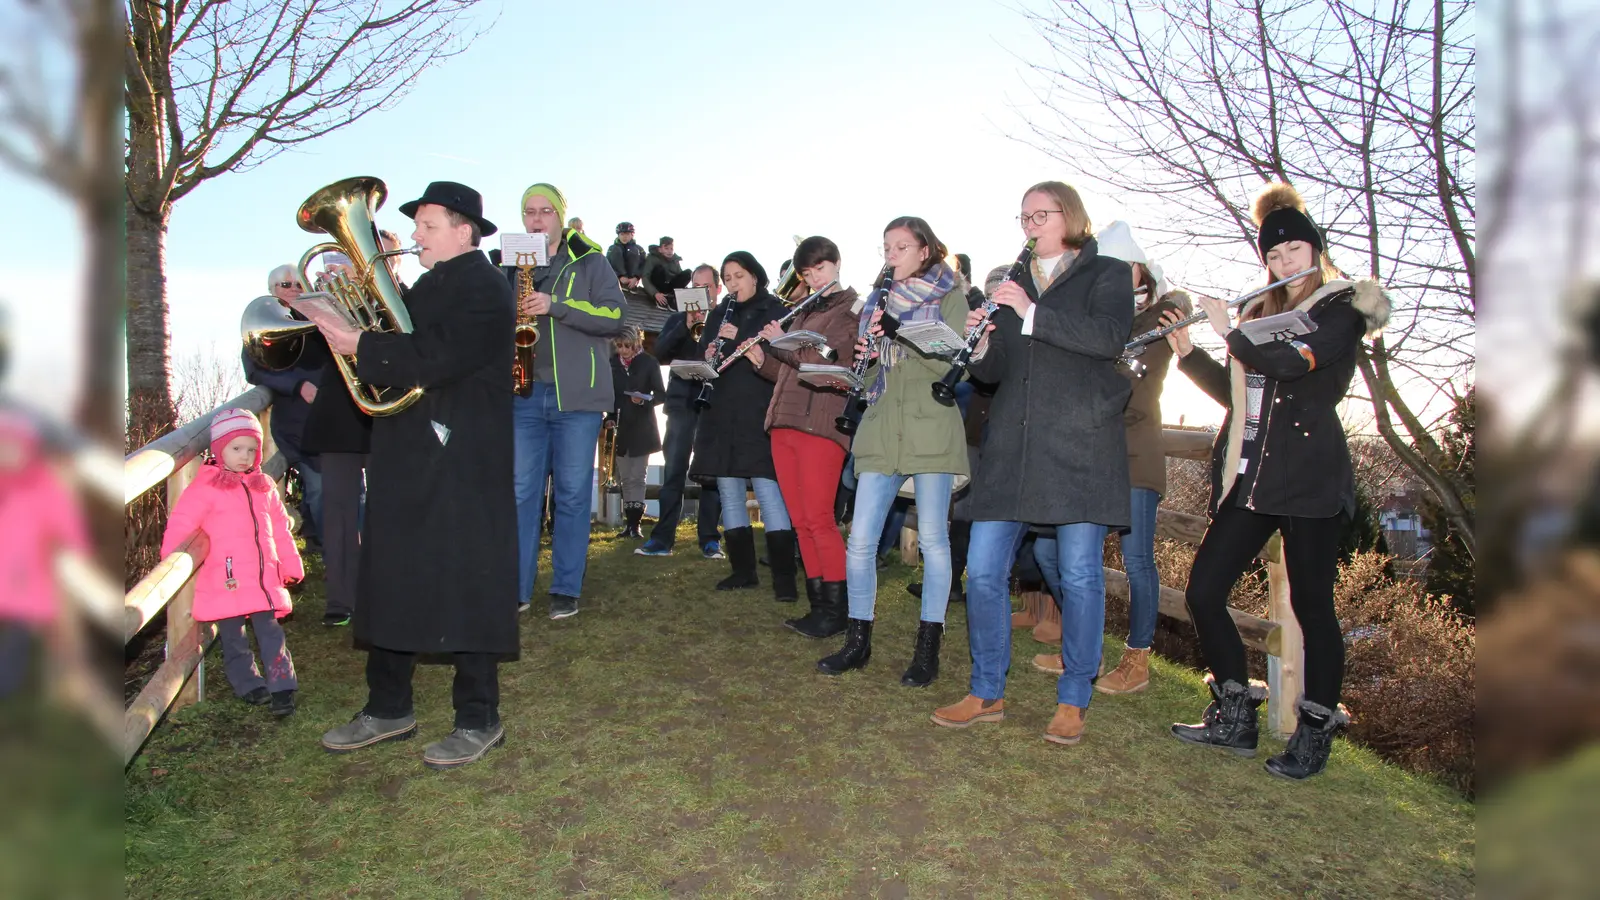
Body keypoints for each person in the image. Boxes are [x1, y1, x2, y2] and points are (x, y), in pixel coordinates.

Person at [1163, 182, 1388, 780]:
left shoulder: (1343, 308)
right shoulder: (1260, 311)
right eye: (1273, 255)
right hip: (1252, 472)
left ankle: (1315, 735)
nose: (1283, 262)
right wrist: (1189, 353)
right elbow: (1241, 397)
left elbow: (1291, 365)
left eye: (1293, 251)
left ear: (1315, 250)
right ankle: (1234, 712)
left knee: (1314, 608)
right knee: (1204, 589)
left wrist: (1232, 334)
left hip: (1309, 475)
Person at [315, 180, 518, 770]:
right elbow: (411, 343)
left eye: (427, 227)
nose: (415, 237)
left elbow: (436, 359)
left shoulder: (484, 287)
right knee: (393, 570)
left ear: (465, 231)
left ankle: (479, 718)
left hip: (461, 456)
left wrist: (362, 342)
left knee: (467, 574)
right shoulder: (431, 283)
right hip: (409, 446)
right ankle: (387, 706)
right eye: (418, 226)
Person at [931, 181, 1133, 745]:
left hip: (1078, 447)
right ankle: (987, 690)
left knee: (1080, 574)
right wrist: (978, 348)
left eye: (1039, 214)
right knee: (985, 571)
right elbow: (996, 374)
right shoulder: (1014, 282)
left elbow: (1109, 338)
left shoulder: (1107, 274)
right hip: (1013, 450)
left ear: (1070, 215)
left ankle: (1073, 698)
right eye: (1023, 217)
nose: (1029, 225)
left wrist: (1033, 312)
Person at [1029, 220, 1191, 694]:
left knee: (1137, 559)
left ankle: (1137, 658)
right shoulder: (1099, 312)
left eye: (1123, 269)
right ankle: (1087, 647)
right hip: (1090, 448)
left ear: (1140, 270)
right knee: (1048, 549)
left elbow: (1135, 382)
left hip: (1134, 448)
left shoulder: (1159, 318)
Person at [817, 217, 970, 688]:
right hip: (883, 429)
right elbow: (868, 378)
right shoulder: (875, 303)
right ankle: (858, 640)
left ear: (925, 250)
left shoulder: (951, 295)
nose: (892, 254)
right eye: (887, 247)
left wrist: (898, 330)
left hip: (929, 426)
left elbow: (951, 359)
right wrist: (854, 365)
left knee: (933, 542)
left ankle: (928, 648)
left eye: (902, 246)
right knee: (860, 540)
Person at [504, 183, 626, 619]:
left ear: (559, 216)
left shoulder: (591, 262)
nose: (537, 220)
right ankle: (516, 589)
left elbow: (615, 317)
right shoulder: (510, 266)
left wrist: (556, 305)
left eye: (545, 212)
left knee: (573, 495)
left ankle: (565, 587)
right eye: (529, 213)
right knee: (520, 494)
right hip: (523, 395)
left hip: (579, 398)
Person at [750, 237, 860, 639]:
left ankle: (837, 611)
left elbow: (830, 367)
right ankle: (819, 607)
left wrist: (782, 346)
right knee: (800, 521)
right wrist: (763, 358)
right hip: (785, 421)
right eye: (808, 273)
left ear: (836, 264)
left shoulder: (852, 310)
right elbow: (787, 374)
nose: (814, 278)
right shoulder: (804, 313)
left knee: (819, 519)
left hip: (820, 424)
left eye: (820, 269)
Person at [161, 408, 302, 717]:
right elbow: (181, 523)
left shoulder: (263, 487)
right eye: (236, 448)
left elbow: (279, 528)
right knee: (232, 634)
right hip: (226, 576)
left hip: (264, 578)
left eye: (251, 449)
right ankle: (248, 683)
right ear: (218, 449)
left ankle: (282, 686)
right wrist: (168, 564)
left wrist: (290, 565)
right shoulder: (205, 488)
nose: (245, 456)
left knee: (270, 631)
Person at [689, 252, 796, 601]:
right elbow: (708, 357)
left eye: (739, 276)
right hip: (721, 411)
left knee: (769, 492)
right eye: (728, 278)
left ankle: (784, 579)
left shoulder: (775, 310)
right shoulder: (720, 313)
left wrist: (740, 340)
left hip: (758, 409)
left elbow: (785, 359)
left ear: (754, 276)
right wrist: (710, 350)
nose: (733, 284)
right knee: (730, 492)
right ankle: (743, 572)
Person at [637, 264, 724, 559]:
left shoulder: (725, 319)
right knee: (673, 472)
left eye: (706, 286)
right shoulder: (677, 318)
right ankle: (662, 539)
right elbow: (659, 353)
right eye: (695, 286)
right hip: (681, 405)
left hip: (713, 406)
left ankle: (710, 539)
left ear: (717, 290)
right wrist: (687, 324)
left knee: (711, 475)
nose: (700, 292)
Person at [241, 264, 329, 550]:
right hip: (297, 423)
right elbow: (255, 371)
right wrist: (297, 385)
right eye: (285, 285)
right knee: (317, 487)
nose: (292, 290)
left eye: (298, 284)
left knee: (347, 486)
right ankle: (334, 554)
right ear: (271, 291)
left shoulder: (320, 317)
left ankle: (324, 544)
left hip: (334, 416)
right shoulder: (263, 322)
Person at [609, 326, 665, 539]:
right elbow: (609, 396)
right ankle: (628, 524)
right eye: (619, 346)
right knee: (625, 477)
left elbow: (661, 394)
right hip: (621, 426)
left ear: (637, 344)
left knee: (638, 476)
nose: (623, 350)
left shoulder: (649, 363)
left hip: (643, 427)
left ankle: (635, 525)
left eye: (627, 346)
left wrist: (643, 399)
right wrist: (609, 418)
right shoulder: (612, 363)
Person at [640, 237, 689, 307]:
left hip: (670, 287)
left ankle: (672, 297)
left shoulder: (675, 260)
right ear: (660, 249)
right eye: (666, 248)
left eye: (671, 249)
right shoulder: (652, 258)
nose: (669, 251)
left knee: (688, 273)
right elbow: (645, 277)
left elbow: (680, 277)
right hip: (658, 286)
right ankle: (660, 297)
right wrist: (655, 293)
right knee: (659, 269)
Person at [607, 222, 647, 288]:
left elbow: (644, 264)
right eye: (622, 234)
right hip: (616, 282)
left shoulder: (639, 249)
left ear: (632, 235)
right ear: (618, 235)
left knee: (633, 251)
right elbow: (607, 265)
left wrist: (636, 277)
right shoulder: (612, 248)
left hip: (633, 281)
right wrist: (619, 276)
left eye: (627, 234)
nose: (624, 237)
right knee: (616, 250)